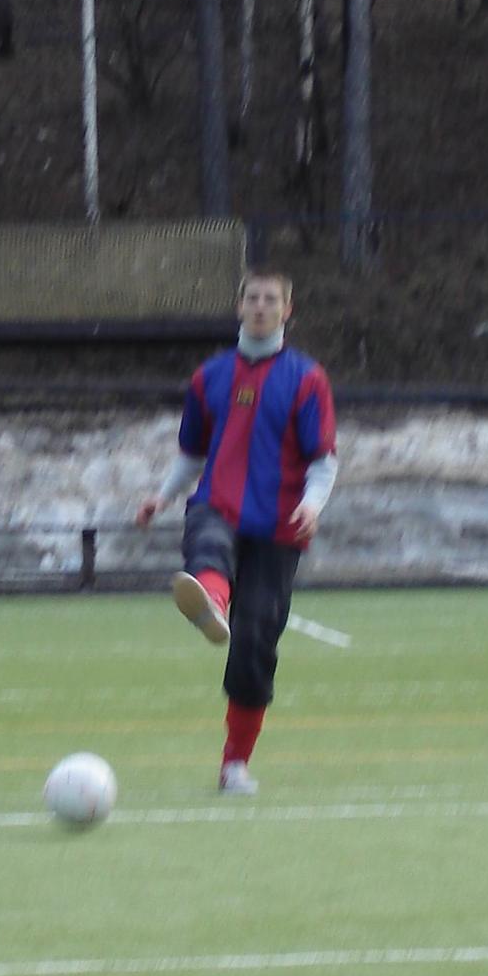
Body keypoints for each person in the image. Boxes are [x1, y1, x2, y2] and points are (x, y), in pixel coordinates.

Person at [136, 267, 337, 794]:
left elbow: (323, 459)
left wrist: (312, 505)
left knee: (255, 646)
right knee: (207, 542)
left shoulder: (307, 378)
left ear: (287, 310)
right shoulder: (210, 376)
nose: (261, 306)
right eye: (252, 298)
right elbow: (191, 452)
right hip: (217, 503)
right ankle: (212, 603)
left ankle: (234, 766)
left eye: (271, 299)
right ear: (239, 306)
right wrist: (163, 495)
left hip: (279, 526)